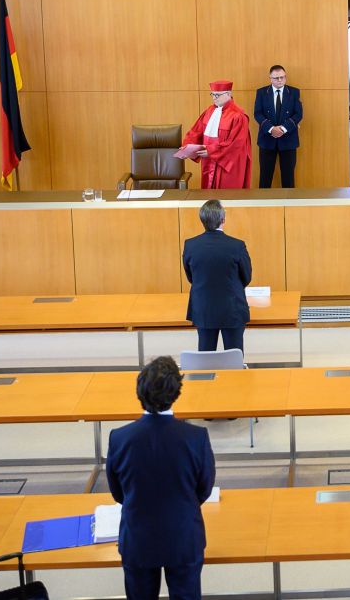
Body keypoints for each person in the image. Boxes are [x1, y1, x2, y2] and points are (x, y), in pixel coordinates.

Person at [106, 356, 216, 600]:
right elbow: (204, 488)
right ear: (177, 391)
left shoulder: (119, 438)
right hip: (183, 535)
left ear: (139, 392)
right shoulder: (195, 437)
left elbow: (118, 492)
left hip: (139, 538)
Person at [182, 200, 252, 353]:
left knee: (206, 359)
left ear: (202, 220)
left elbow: (191, 277)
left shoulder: (190, 245)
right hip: (232, 308)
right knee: (234, 357)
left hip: (203, 307)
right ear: (223, 219)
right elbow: (246, 277)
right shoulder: (237, 245)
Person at [179, 81, 252, 189]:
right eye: (212, 94)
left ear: (228, 94)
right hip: (208, 160)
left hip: (228, 164)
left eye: (217, 95)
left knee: (226, 195)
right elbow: (196, 131)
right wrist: (187, 147)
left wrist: (211, 151)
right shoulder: (209, 111)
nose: (214, 98)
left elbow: (236, 144)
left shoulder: (238, 116)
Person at [253, 64, 303, 189]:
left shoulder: (294, 92)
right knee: (265, 177)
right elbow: (257, 113)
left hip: (288, 140)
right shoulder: (262, 92)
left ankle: (290, 205)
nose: (280, 80)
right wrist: (271, 129)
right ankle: (263, 207)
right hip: (267, 140)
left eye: (282, 77)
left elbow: (298, 114)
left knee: (288, 178)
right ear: (270, 78)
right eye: (276, 78)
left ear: (285, 77)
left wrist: (283, 129)